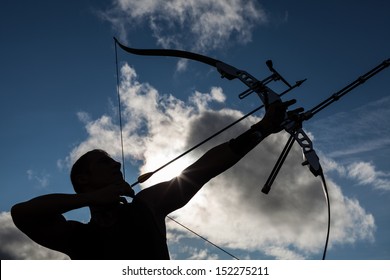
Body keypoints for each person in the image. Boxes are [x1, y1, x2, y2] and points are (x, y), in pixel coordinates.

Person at [11, 100, 299, 260]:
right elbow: (21, 214)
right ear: (83, 179)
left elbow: (203, 168)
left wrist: (261, 129)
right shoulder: (78, 237)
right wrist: (92, 199)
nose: (117, 163)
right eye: (104, 162)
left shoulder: (145, 205)